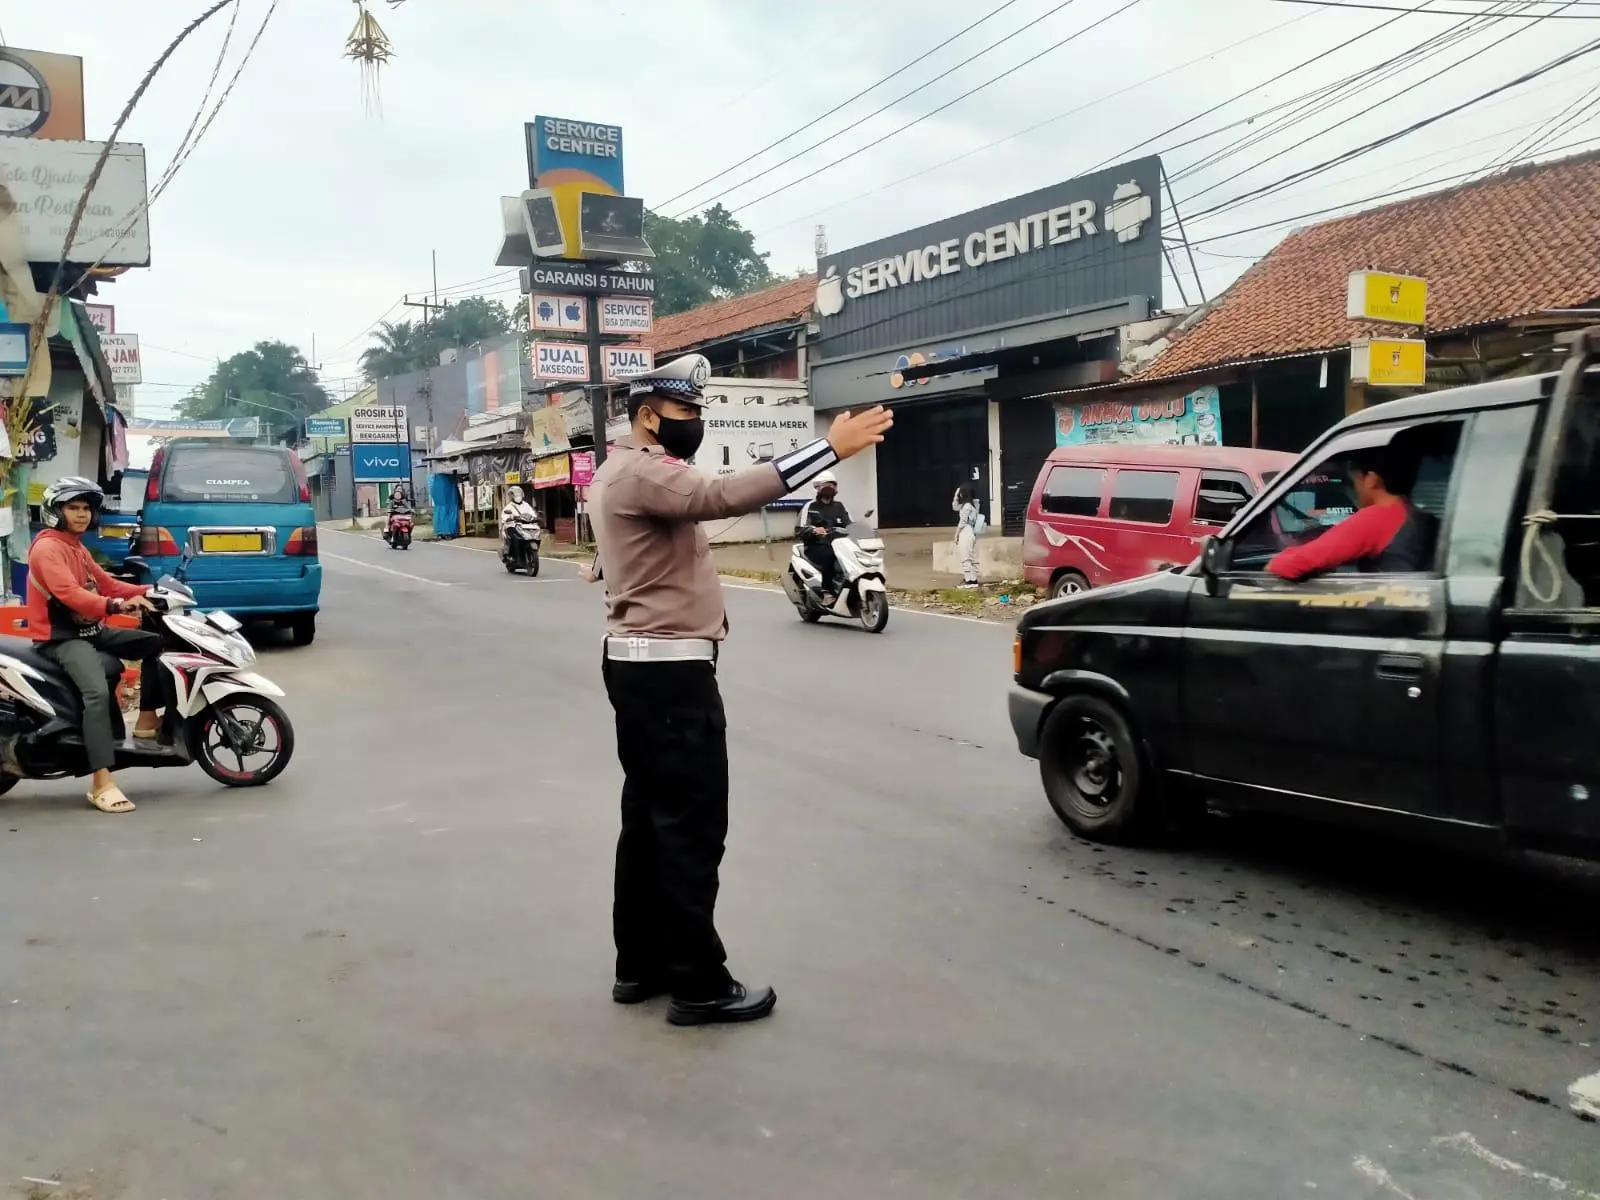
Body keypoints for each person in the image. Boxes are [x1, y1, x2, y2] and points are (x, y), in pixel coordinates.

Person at [589, 352, 892, 1027]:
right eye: (685, 412)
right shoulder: (646, 470)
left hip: (639, 668)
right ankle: (699, 982)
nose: (694, 423)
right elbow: (721, 496)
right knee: (691, 827)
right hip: (669, 675)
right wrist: (826, 448)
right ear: (647, 415)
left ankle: (638, 964)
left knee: (647, 822)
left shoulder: (616, 471)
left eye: (699, 412)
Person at [27, 477, 164, 815]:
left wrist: (150, 592)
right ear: (55, 511)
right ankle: (101, 781)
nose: (82, 514)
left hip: (91, 631)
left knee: (155, 644)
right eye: (73, 508)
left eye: (86, 508)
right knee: (97, 694)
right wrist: (116, 607)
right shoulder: (47, 548)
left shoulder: (76, 546)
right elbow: (71, 595)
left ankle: (146, 721)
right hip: (61, 639)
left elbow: (106, 583)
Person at [1268, 442, 1436, 580]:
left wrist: (1276, 561)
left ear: (1371, 480)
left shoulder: (1376, 518)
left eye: (1355, 480)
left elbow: (1291, 564)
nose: (1356, 489)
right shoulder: (1425, 518)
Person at [799, 471, 850, 601]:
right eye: (826, 485)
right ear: (817, 488)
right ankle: (826, 591)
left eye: (832, 485)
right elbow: (800, 529)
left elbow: (850, 524)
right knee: (829, 555)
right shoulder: (810, 507)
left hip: (839, 545)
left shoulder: (840, 506)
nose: (830, 487)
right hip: (816, 546)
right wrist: (814, 530)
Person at [953, 486, 983, 588]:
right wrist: (957, 495)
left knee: (965, 557)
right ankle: (973, 580)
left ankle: (969, 581)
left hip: (965, 531)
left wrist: (956, 535)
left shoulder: (966, 507)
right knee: (971, 556)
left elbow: (962, 522)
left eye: (960, 493)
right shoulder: (973, 505)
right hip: (971, 532)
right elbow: (955, 507)